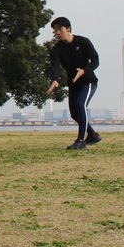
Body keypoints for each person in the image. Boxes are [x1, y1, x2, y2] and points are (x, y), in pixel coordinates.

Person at [46, 16, 101, 150]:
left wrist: (84, 70)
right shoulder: (56, 50)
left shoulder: (83, 42)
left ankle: (80, 141)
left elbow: (95, 60)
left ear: (68, 29)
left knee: (80, 105)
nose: (57, 32)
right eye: (55, 30)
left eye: (60, 29)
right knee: (74, 113)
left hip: (88, 81)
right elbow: (55, 67)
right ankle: (93, 135)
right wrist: (55, 80)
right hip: (73, 83)